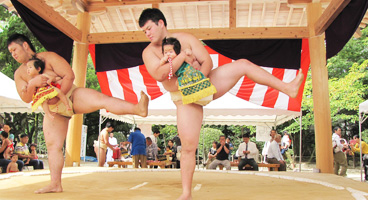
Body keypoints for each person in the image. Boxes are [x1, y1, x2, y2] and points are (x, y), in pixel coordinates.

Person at [138, 8, 304, 199]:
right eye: (144, 31)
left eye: (149, 28)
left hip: (204, 82)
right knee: (188, 148)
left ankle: (288, 88)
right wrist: (184, 61)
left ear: (160, 23)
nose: (147, 34)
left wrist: (199, 77)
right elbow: (160, 75)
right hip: (184, 97)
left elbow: (206, 60)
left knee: (242, 64)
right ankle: (186, 193)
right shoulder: (148, 51)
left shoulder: (186, 37)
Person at [8, 33, 149, 193]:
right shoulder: (19, 73)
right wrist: (33, 82)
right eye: (10, 52)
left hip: (70, 95)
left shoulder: (49, 57)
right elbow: (26, 98)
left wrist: (60, 95)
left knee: (102, 99)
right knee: (53, 146)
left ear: (25, 45)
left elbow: (69, 74)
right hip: (52, 110)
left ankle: (138, 109)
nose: (13, 54)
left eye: (14, 49)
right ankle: (55, 183)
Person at [160, 37, 216, 105]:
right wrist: (164, 59)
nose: (168, 54)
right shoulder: (168, 62)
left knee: (194, 79)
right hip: (181, 75)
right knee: (179, 84)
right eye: (166, 52)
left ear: (177, 51)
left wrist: (187, 52)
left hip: (188, 71)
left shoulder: (181, 56)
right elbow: (161, 64)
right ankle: (191, 95)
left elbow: (189, 55)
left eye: (171, 52)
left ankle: (197, 93)